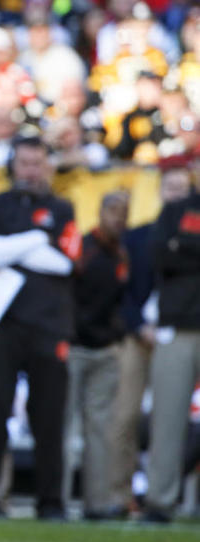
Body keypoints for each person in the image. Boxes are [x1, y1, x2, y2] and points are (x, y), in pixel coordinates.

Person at [0, 136, 80, 520]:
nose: (30, 170)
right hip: (1, 323)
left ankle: (51, 503)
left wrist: (9, 249)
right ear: (13, 165)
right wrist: (34, 240)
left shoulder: (63, 208)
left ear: (48, 166)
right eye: (25, 162)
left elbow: (65, 262)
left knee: (49, 418)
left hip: (49, 325)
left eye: (37, 162)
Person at [108, 154, 193, 516]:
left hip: (178, 328)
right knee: (133, 418)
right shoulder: (140, 235)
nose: (174, 194)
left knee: (167, 419)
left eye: (181, 188)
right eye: (169, 187)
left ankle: (163, 498)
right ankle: (124, 498)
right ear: (159, 190)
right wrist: (136, 325)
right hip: (145, 332)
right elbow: (125, 288)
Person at [62, 191, 129, 520]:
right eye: (114, 210)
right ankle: (56, 499)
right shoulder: (84, 249)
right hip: (75, 347)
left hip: (104, 350)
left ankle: (97, 502)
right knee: (65, 427)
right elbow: (69, 294)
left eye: (124, 212)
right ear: (101, 212)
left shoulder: (120, 254)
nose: (119, 217)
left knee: (100, 430)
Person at [144, 159, 200, 523]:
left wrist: (187, 247)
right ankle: (159, 501)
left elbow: (177, 253)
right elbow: (160, 254)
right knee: (167, 418)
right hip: (178, 326)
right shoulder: (178, 209)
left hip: (180, 318)